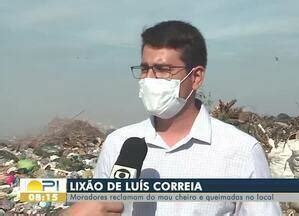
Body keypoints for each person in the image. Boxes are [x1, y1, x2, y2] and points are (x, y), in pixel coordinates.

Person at [67, 20, 282, 216]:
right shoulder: (119, 145)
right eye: (144, 69)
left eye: (162, 69)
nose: (149, 79)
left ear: (196, 77)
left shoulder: (241, 151)